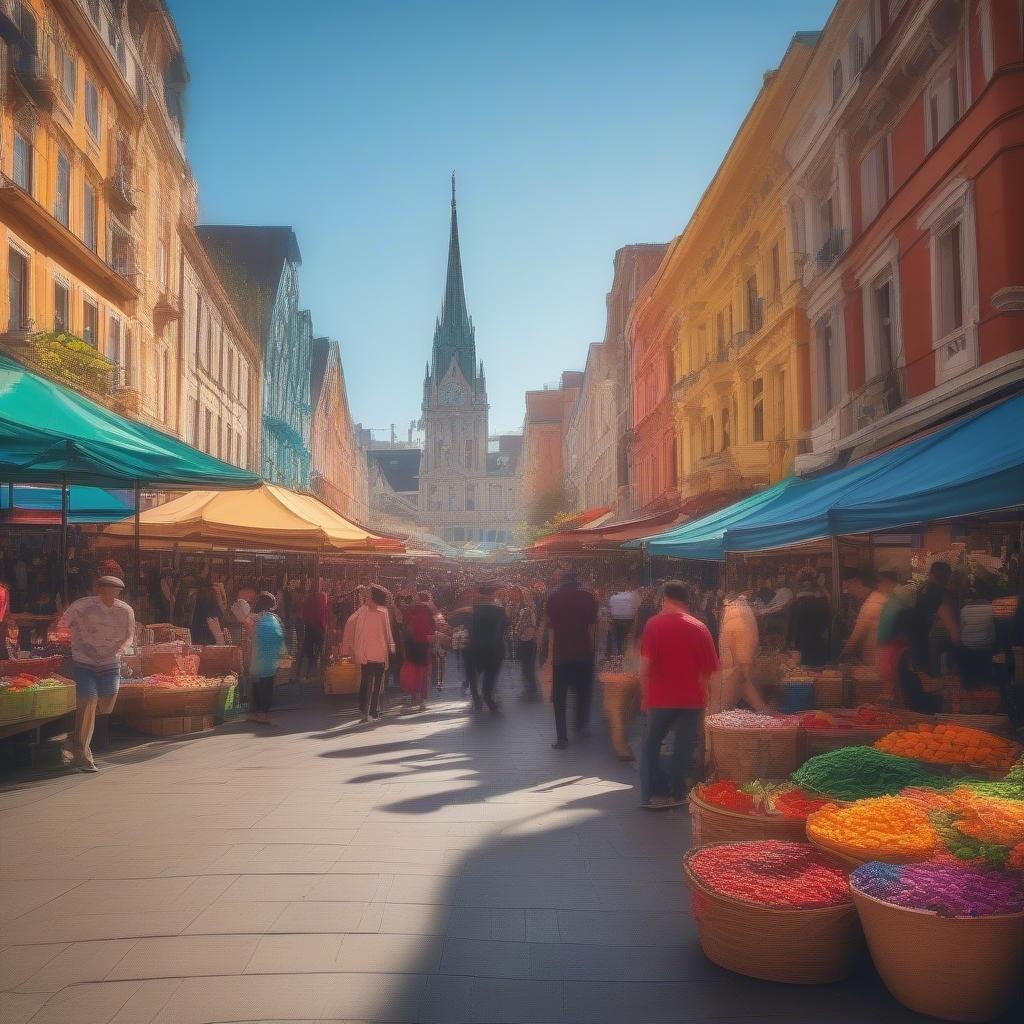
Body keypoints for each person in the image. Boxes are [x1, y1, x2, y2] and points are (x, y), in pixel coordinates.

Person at [638, 581, 719, 809]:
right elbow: (709, 670)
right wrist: (709, 697)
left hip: (661, 698)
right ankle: (678, 792)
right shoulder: (700, 628)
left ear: (665, 599)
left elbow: (645, 666)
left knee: (652, 744)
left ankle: (656, 794)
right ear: (686, 601)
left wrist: (644, 695)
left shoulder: (654, 625)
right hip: (692, 699)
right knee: (683, 747)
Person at [58, 575, 136, 772]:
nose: (112, 594)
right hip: (85, 662)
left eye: (116, 590)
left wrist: (120, 651)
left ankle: (76, 736)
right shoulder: (82, 606)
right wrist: (70, 639)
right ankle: (83, 755)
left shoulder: (125, 610)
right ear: (99, 589)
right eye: (108, 589)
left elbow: (130, 635)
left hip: (110, 663)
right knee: (88, 702)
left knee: (107, 704)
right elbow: (62, 624)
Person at [541, 571, 598, 749]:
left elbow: (550, 629)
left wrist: (549, 655)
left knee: (559, 697)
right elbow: (592, 629)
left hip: (561, 655)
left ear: (562, 581)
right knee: (584, 692)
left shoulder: (554, 597)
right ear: (577, 581)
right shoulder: (589, 597)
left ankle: (562, 737)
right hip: (584, 654)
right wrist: (592, 651)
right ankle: (581, 724)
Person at [342, 585, 395, 722]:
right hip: (371, 652)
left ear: (373, 596)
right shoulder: (365, 611)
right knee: (369, 682)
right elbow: (351, 625)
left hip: (374, 652)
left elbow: (387, 633)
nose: (366, 594)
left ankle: (370, 711)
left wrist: (390, 649)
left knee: (372, 682)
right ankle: (370, 711)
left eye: (369, 592)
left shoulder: (372, 611)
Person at [710, 591, 765, 713]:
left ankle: (763, 712)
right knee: (744, 683)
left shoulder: (733, 614)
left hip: (735, 664)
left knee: (742, 683)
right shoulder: (745, 612)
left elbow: (730, 641)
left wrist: (731, 664)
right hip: (741, 661)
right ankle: (763, 712)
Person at [910, 561, 960, 675]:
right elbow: (951, 627)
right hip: (930, 644)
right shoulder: (943, 594)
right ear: (948, 577)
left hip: (917, 643)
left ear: (931, 574)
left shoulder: (921, 590)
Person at [467, 584, 507, 712]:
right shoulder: (500, 611)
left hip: (475, 648)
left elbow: (468, 628)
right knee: (490, 676)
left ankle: (476, 698)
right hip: (495, 649)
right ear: (492, 595)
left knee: (473, 675)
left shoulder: (471, 610)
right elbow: (503, 629)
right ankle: (487, 696)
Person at [840, 570, 892, 669]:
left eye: (848, 587)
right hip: (881, 659)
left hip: (875, 662)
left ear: (858, 582)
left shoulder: (872, 604)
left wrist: (841, 658)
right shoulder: (882, 599)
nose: (849, 592)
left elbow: (857, 636)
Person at [249, 592, 286, 725]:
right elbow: (279, 636)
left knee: (256, 683)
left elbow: (250, 635)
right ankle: (263, 712)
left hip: (257, 655)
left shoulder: (254, 618)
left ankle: (256, 711)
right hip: (270, 658)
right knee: (267, 684)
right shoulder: (274, 618)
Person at [788, 571, 831, 666]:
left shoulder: (794, 606)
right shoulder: (822, 604)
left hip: (800, 650)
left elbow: (792, 630)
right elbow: (827, 626)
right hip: (820, 649)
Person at [402, 592, 436, 711]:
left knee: (416, 673)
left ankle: (417, 698)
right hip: (419, 645)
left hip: (416, 645)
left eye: (417, 598)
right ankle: (420, 699)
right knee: (421, 674)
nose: (415, 600)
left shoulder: (416, 612)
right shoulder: (425, 612)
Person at [294, 584, 330, 683]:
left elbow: (303, 615)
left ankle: (301, 673)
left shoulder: (308, 601)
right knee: (318, 651)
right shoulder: (323, 598)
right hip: (320, 629)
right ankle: (316, 673)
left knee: (306, 651)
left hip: (310, 628)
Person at [515, 587, 539, 700]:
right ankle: (531, 688)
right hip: (528, 639)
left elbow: (524, 625)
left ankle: (531, 689)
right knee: (527, 666)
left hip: (527, 639)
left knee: (527, 666)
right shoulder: (529, 609)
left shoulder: (527, 610)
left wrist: (518, 632)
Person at [607, 583, 641, 656]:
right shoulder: (633, 596)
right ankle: (624, 653)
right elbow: (636, 610)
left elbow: (610, 612)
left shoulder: (612, 597)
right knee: (625, 638)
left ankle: (615, 654)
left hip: (616, 620)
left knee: (616, 638)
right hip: (628, 620)